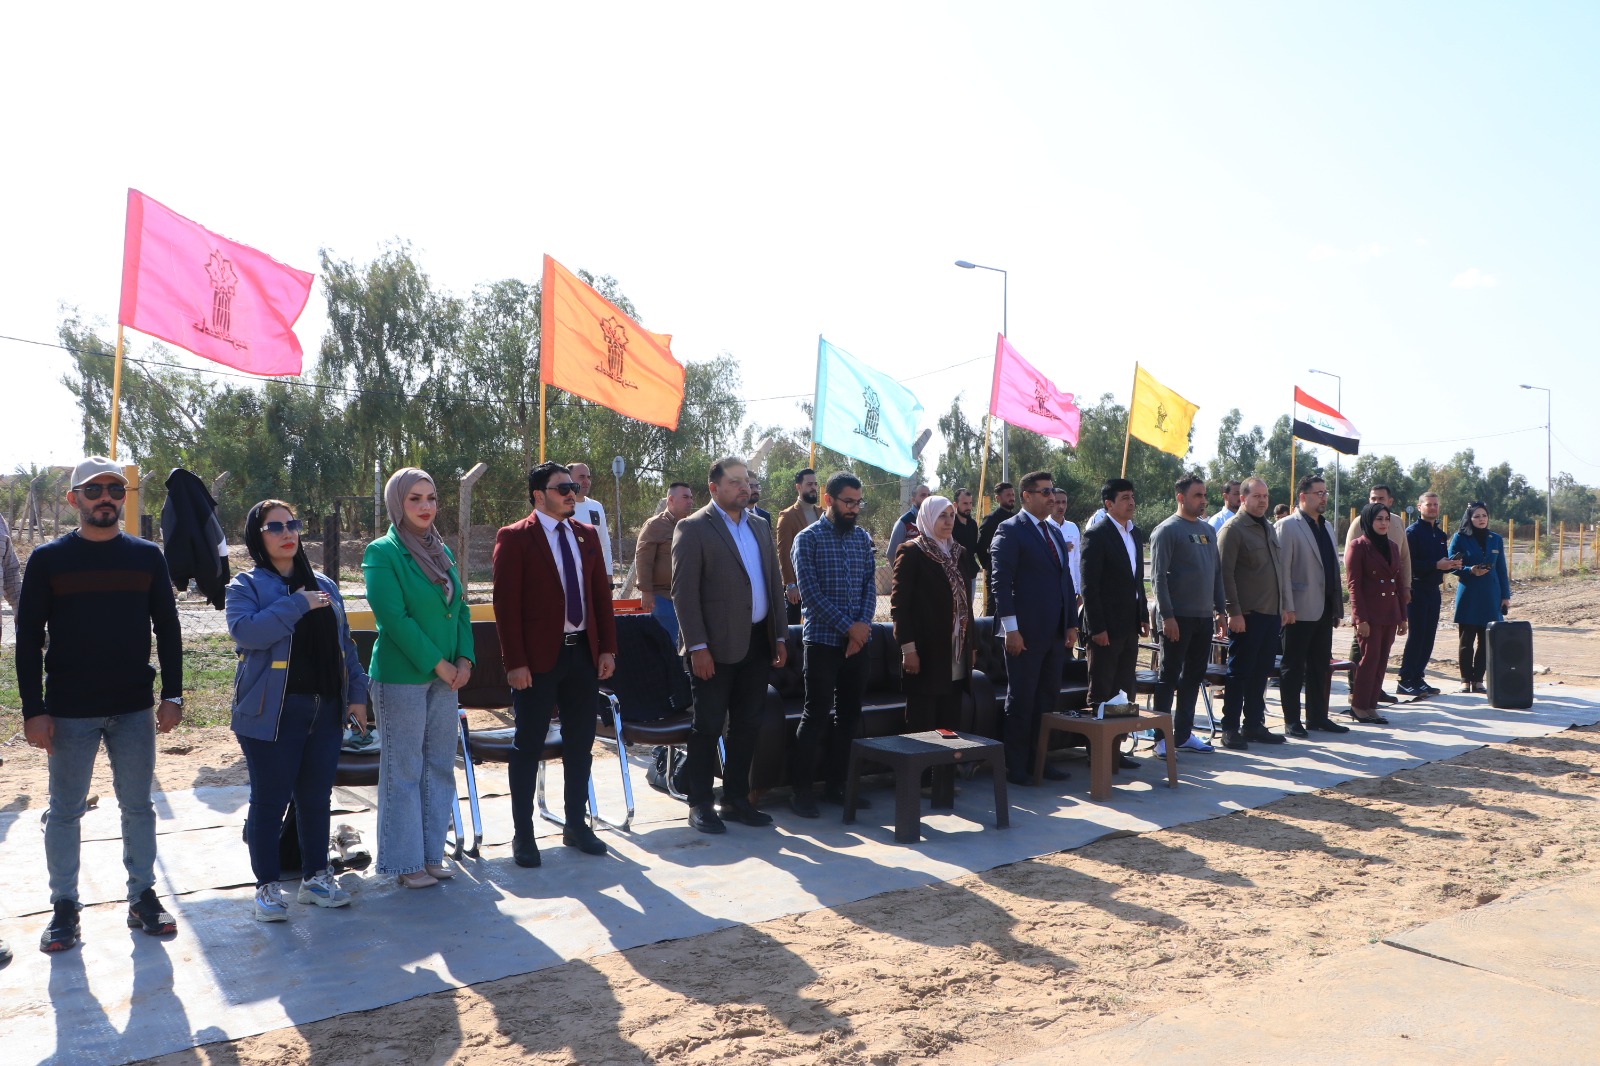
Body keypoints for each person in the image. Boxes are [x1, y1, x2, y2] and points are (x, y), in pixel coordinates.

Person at [17, 457, 184, 952]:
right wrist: (33, 710)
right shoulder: (48, 560)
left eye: (115, 488)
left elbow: (168, 628)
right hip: (69, 711)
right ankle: (64, 906)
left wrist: (172, 694)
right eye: (94, 490)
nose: (106, 497)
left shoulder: (147, 556)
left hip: (134, 708)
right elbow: (28, 639)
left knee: (138, 806)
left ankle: (142, 897)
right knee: (65, 811)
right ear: (74, 499)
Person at [227, 500, 370, 920]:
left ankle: (316, 880)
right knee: (269, 801)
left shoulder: (323, 583)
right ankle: (267, 888)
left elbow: (345, 645)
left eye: (292, 524)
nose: (287, 533)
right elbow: (247, 632)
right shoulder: (245, 586)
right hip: (271, 712)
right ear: (257, 537)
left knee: (316, 799)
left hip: (325, 709)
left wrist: (357, 694)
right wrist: (297, 604)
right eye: (275, 527)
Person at [493, 462, 617, 864]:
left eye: (573, 487)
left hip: (582, 655)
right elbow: (505, 607)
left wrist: (607, 649)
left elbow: (600, 598)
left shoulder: (586, 534)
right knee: (528, 745)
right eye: (562, 487)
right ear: (538, 495)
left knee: (580, 744)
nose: (571, 493)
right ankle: (523, 835)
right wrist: (515, 662)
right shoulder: (515, 537)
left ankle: (575, 825)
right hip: (537, 661)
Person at [363, 467, 475, 888]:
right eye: (415, 499)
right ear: (398, 503)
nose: (426, 506)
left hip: (448, 677)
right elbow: (394, 618)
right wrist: (439, 664)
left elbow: (459, 608)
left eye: (431, 498)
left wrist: (464, 659)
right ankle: (404, 863)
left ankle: (430, 855)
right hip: (402, 677)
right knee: (404, 769)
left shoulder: (440, 550)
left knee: (440, 766)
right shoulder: (382, 552)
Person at [670, 457, 787, 833]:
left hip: (757, 642)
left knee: (748, 724)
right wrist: (697, 647)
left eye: (746, 481)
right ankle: (700, 803)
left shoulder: (760, 525)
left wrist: (779, 635)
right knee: (707, 726)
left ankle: (736, 799)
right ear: (714, 488)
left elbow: (773, 583)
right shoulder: (693, 528)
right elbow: (684, 594)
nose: (744, 487)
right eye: (735, 481)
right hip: (714, 648)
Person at [789, 471, 878, 817]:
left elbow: (870, 588)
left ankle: (837, 786)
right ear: (829, 500)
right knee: (815, 715)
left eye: (858, 503)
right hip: (822, 642)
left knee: (850, 716)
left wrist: (862, 628)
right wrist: (849, 629)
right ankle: (801, 792)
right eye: (848, 502)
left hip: (858, 644)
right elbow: (810, 595)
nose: (854, 508)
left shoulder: (862, 538)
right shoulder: (807, 539)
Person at [991, 470, 1079, 785]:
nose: (1051, 497)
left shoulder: (1054, 532)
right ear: (1026, 496)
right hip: (1024, 634)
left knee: (1046, 699)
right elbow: (1001, 583)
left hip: (1054, 633)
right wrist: (1011, 629)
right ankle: (1015, 766)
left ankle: (1040, 759)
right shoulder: (1009, 529)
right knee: (1022, 699)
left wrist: (1071, 623)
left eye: (1052, 491)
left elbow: (1065, 581)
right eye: (1045, 492)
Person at [1148, 475, 1228, 755]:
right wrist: (1167, 616)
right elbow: (1157, 578)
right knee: (1169, 676)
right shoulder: (1167, 530)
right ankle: (1160, 738)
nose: (1203, 500)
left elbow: (1216, 573)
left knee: (1193, 677)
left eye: (1204, 494)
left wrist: (1220, 610)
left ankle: (1182, 735)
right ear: (1181, 498)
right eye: (1197, 495)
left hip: (1203, 618)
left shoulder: (1208, 530)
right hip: (1177, 618)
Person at [1216, 478, 1292, 750]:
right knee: (1239, 673)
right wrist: (1233, 612)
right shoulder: (1233, 530)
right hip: (1246, 615)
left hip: (1270, 614)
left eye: (1265, 496)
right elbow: (1224, 575)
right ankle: (1230, 727)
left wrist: (1283, 606)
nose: (1262, 501)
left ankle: (1253, 724)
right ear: (1243, 498)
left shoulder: (1268, 527)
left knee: (1261, 673)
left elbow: (1277, 570)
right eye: (1257, 496)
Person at [891, 495, 977, 734]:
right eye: (941, 516)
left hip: (956, 652)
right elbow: (900, 606)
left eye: (951, 515)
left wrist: (971, 645)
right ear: (927, 518)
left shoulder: (959, 552)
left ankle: (947, 761)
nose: (949, 521)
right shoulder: (912, 552)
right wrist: (908, 649)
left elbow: (966, 603)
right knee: (923, 723)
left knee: (950, 724)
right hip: (926, 652)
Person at [1275, 475, 1351, 738]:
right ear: (1303, 496)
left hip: (1324, 608)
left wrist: (1336, 607)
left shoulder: (1326, 526)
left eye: (1325, 493)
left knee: (1320, 665)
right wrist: (1287, 607)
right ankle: (1292, 720)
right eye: (1319, 493)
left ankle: (1317, 717)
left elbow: (1331, 568)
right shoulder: (1287, 526)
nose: (1324, 497)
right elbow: (1282, 572)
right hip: (1298, 610)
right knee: (1293, 666)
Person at [1079, 478, 1148, 717]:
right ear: (1109, 504)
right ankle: (1100, 741)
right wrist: (1097, 628)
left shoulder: (1135, 533)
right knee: (1102, 690)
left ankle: (1119, 738)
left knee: (1124, 690)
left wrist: (1143, 615)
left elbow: (1137, 580)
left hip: (1129, 625)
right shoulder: (1096, 535)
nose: (1131, 502)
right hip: (1105, 629)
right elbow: (1089, 586)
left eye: (1132, 497)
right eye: (1125, 498)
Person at [1344, 485, 1413, 702]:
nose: (1383, 523)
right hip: (1369, 609)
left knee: (1381, 659)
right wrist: (1360, 618)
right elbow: (1353, 582)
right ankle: (1358, 698)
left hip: (1389, 609)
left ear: (1390, 501)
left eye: (1386, 519)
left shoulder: (1393, 539)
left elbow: (1402, 564)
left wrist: (1403, 610)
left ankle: (1372, 701)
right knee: (1367, 657)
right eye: (1378, 519)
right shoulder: (1359, 536)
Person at [1397, 492, 1460, 696]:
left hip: (1433, 590)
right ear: (1419, 507)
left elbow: (1440, 562)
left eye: (1435, 504)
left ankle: (1418, 677)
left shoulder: (1440, 535)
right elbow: (1408, 564)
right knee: (1417, 636)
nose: (1433, 508)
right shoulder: (1412, 533)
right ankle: (1405, 679)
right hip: (1417, 589)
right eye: (1428, 504)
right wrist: (1435, 565)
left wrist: (1451, 564)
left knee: (1428, 636)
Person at [1448, 501, 1511, 694]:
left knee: (1486, 641)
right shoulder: (1460, 538)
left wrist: (1505, 596)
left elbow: (1501, 569)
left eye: (1484, 515)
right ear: (1470, 518)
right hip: (1469, 594)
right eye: (1476, 516)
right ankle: (1465, 680)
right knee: (1466, 640)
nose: (1481, 519)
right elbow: (1452, 564)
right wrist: (1470, 570)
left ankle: (1478, 680)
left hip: (1491, 595)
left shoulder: (1496, 539)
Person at [635, 482, 695, 643]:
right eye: (685, 497)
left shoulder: (692, 526)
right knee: (667, 644)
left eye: (691, 497)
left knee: (687, 646)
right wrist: (646, 591)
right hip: (662, 597)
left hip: (687, 598)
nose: (690, 501)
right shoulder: (655, 525)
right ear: (670, 499)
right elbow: (643, 559)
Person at [776, 468, 822, 626]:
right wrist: (790, 584)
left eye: (815, 484)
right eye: (809, 484)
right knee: (793, 627)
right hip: (798, 586)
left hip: (822, 584)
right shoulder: (787, 516)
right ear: (798, 486)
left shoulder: (823, 514)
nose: (813, 487)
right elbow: (784, 553)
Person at [567, 461, 614, 584]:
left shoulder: (596, 506)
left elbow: (605, 544)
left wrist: (608, 577)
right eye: (581, 477)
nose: (586, 481)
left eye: (588, 477)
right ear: (568, 479)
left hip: (593, 577)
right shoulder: (560, 508)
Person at [975, 482, 1017, 615]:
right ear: (998, 498)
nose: (1012, 498)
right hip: (996, 571)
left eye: (1013, 494)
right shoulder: (991, 519)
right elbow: (981, 547)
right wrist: (989, 565)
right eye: (1008, 495)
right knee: (994, 608)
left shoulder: (1017, 518)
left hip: (1015, 571)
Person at [1047, 487, 1083, 608]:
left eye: (1064, 502)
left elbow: (1077, 560)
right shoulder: (1043, 527)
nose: (1061, 506)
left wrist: (1079, 591)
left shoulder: (1072, 527)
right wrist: (1061, 547)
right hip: (1051, 589)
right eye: (1057, 502)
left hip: (1071, 589)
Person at [886, 483, 931, 563]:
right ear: (913, 500)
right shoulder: (904, 522)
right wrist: (901, 570)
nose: (927, 498)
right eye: (923, 495)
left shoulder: (933, 520)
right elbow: (891, 554)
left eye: (929, 495)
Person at [951, 487, 980, 594]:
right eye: (965, 503)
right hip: (954, 575)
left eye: (970, 503)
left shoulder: (973, 524)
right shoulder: (950, 525)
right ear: (955, 505)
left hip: (970, 575)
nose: (968, 507)